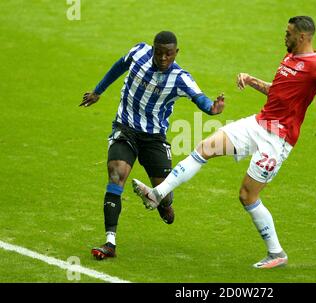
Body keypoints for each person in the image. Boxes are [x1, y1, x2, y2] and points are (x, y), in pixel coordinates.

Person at [132, 16, 316, 268]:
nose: (284, 36)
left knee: (247, 195)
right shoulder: (290, 57)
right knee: (205, 148)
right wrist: (251, 79)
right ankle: (157, 194)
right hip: (259, 123)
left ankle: (276, 253)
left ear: (302, 37)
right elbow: (278, 92)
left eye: (288, 33)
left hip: (277, 140)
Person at [80, 31, 225, 260]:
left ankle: (163, 203)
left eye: (169, 54)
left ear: (176, 52)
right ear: (153, 49)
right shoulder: (138, 53)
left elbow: (200, 98)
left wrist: (212, 109)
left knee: (163, 195)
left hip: (154, 138)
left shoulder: (180, 78)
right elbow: (119, 66)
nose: (163, 58)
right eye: (159, 53)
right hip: (125, 128)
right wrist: (98, 91)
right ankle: (110, 243)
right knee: (116, 174)